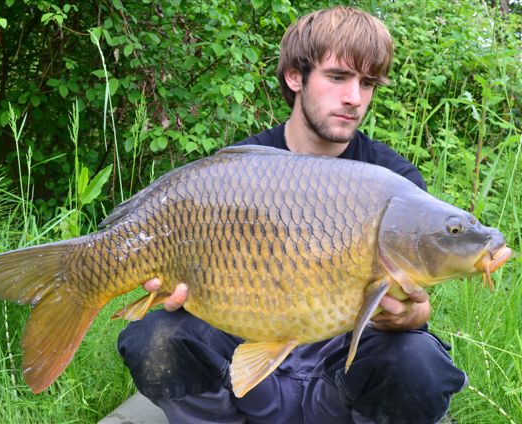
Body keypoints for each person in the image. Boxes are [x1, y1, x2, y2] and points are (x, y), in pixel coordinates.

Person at [117, 6, 467, 423]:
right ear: (295, 77)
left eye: (367, 83)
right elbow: (183, 284)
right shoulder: (237, 172)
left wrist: (412, 315)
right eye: (338, 77)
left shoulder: (394, 182)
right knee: (154, 337)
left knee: (418, 360)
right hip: (247, 369)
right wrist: (178, 286)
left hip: (338, 375)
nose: (355, 98)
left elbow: (416, 305)